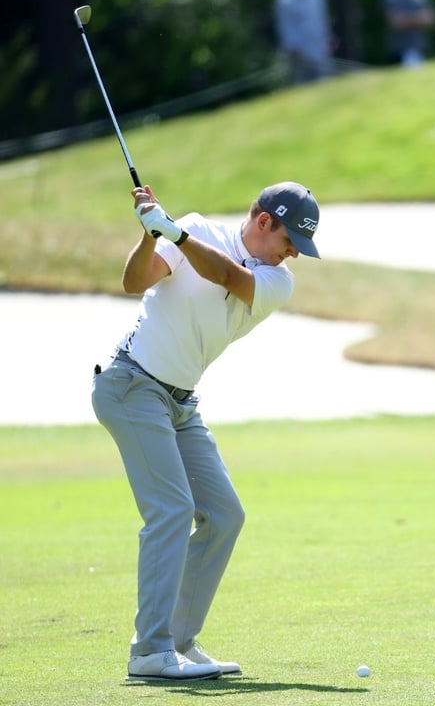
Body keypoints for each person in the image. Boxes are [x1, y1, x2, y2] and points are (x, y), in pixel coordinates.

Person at [92, 181, 321, 681]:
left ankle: (177, 640)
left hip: (180, 403)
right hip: (131, 385)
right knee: (172, 510)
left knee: (224, 514)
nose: (293, 255)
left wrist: (173, 233)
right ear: (265, 222)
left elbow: (226, 275)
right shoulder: (196, 229)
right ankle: (150, 651)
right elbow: (134, 282)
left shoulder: (275, 281)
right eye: (290, 242)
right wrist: (151, 235)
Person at [273, 0, 334, 84]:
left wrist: (328, 38)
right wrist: (292, 49)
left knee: (324, 83)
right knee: (303, 86)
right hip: (299, 56)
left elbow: (322, 20)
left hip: (320, 52)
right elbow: (285, 28)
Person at [383, 0, 435, 67]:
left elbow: (432, 19)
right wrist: (420, 18)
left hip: (423, 46)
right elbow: (395, 22)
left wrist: (406, 18)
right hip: (400, 50)